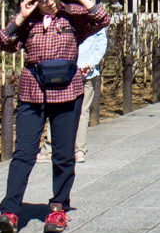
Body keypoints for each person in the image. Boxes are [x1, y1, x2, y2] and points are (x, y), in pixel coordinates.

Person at [0, 0, 111, 233]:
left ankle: (59, 206)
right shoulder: (27, 20)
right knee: (23, 153)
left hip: (67, 91)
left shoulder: (71, 14)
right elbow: (2, 43)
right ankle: (10, 210)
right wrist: (20, 16)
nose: (50, 2)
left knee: (63, 153)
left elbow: (102, 18)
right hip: (32, 92)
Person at [39, 15, 108, 165]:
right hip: (86, 70)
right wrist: (90, 63)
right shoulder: (93, 15)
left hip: (65, 70)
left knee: (57, 108)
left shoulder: (62, 14)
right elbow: (101, 44)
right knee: (83, 111)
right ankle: (79, 150)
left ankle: (50, 149)